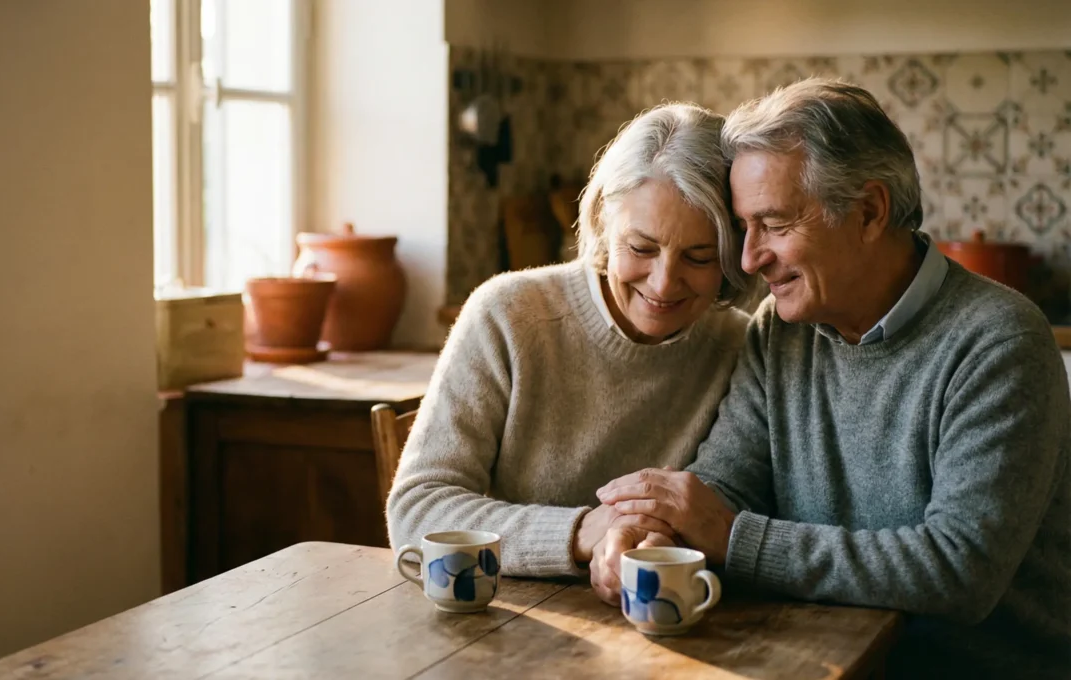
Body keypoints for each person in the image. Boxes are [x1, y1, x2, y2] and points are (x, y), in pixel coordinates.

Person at [593, 79, 1071, 677]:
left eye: (774, 223)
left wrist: (731, 538)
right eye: (746, 227)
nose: (748, 259)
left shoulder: (999, 341)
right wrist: (652, 540)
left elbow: (959, 572)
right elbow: (724, 487)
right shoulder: (780, 329)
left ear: (868, 211)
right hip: (820, 656)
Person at [385, 102, 757, 577]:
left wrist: (649, 541)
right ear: (603, 221)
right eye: (641, 248)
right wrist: (583, 533)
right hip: (497, 616)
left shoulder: (740, 347)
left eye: (700, 258)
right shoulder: (507, 316)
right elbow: (417, 511)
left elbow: (719, 510)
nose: (664, 284)